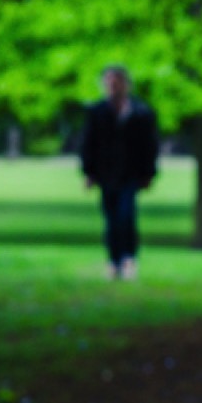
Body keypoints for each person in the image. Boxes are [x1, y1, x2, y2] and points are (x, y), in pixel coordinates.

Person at [80, 65, 159, 280]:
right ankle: (113, 260)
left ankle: (128, 258)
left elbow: (150, 146)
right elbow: (89, 144)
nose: (113, 87)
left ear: (126, 84)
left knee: (126, 216)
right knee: (111, 220)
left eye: (117, 82)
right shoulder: (97, 112)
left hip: (130, 175)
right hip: (106, 175)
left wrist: (148, 174)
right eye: (109, 83)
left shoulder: (141, 112)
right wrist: (89, 172)